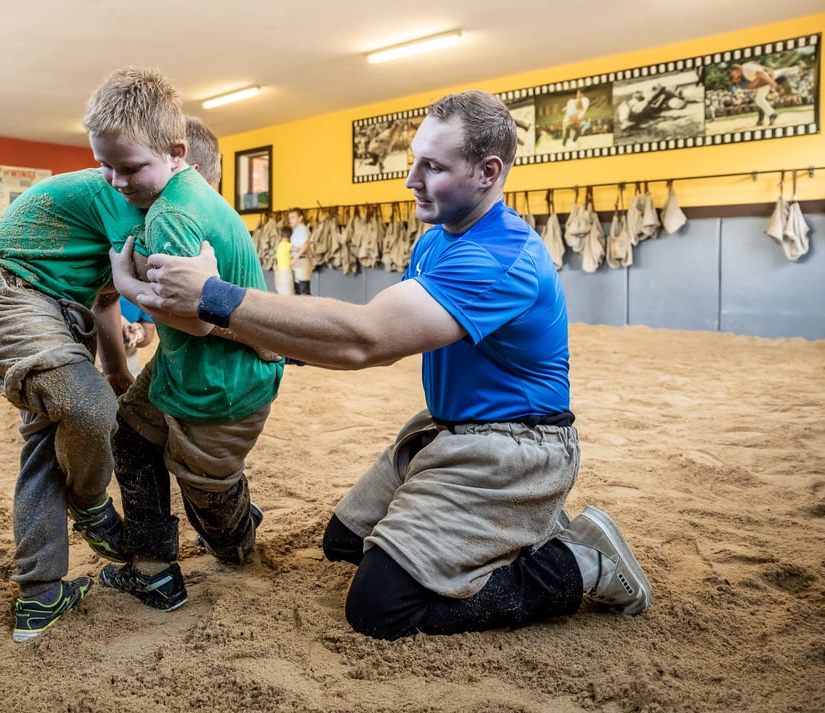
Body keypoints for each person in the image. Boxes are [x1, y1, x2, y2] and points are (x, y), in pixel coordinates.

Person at [116, 89, 653, 640]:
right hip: (446, 430)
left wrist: (213, 295)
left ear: (488, 172)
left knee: (379, 607)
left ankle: (580, 563)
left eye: (433, 167)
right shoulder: (438, 240)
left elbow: (366, 340)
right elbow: (373, 336)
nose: (411, 179)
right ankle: (518, 526)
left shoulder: (497, 257)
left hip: (514, 449)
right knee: (344, 544)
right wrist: (248, 332)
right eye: (414, 160)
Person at [84, 66, 282, 612]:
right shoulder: (193, 190)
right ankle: (152, 568)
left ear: (177, 154)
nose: (117, 181)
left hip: (216, 387)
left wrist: (124, 281)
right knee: (130, 435)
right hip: (186, 368)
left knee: (216, 515)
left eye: (130, 168)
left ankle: (234, 524)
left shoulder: (170, 217)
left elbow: (195, 318)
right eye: (105, 166)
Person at [0, 168, 149, 643]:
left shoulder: (131, 206)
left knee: (50, 439)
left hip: (61, 312)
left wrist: (115, 367)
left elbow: (106, 299)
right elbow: (167, 287)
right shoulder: (126, 196)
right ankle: (90, 505)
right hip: (7, 290)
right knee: (88, 407)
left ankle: (40, 594)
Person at [728, 61, 802, 126]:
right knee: (759, 99)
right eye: (734, 76)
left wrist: (771, 81)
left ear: (738, 70)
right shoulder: (742, 80)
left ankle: (798, 68)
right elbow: (752, 85)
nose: (736, 77)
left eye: (735, 73)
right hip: (763, 83)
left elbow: (761, 73)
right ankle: (772, 114)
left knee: (781, 72)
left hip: (768, 77)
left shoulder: (746, 69)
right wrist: (759, 77)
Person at [287, 207, 313, 295]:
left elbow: (306, 244)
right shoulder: (295, 230)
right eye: (289, 218)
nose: (290, 220)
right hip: (297, 261)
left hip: (301, 260)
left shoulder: (302, 228)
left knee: (303, 291)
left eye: (293, 217)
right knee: (298, 290)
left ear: (300, 218)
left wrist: (295, 258)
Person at [274, 225, 294, 296]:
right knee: (288, 293)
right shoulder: (289, 245)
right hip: (286, 271)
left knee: (281, 292)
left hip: (279, 270)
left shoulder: (279, 245)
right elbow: (298, 249)